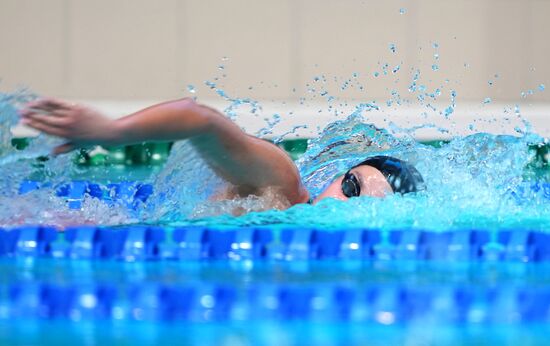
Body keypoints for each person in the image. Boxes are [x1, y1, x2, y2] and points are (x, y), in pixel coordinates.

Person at [19, 98, 424, 208]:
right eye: (350, 187)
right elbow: (200, 120)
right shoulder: (282, 187)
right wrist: (110, 132)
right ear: (338, 175)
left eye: (364, 209)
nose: (341, 206)